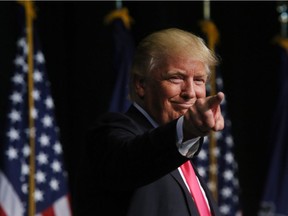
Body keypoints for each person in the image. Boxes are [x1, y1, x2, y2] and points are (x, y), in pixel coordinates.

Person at [75, 28, 224, 216]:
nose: (191, 92)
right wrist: (185, 130)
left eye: (199, 80)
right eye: (176, 78)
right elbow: (132, 160)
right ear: (141, 85)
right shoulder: (109, 135)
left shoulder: (181, 156)